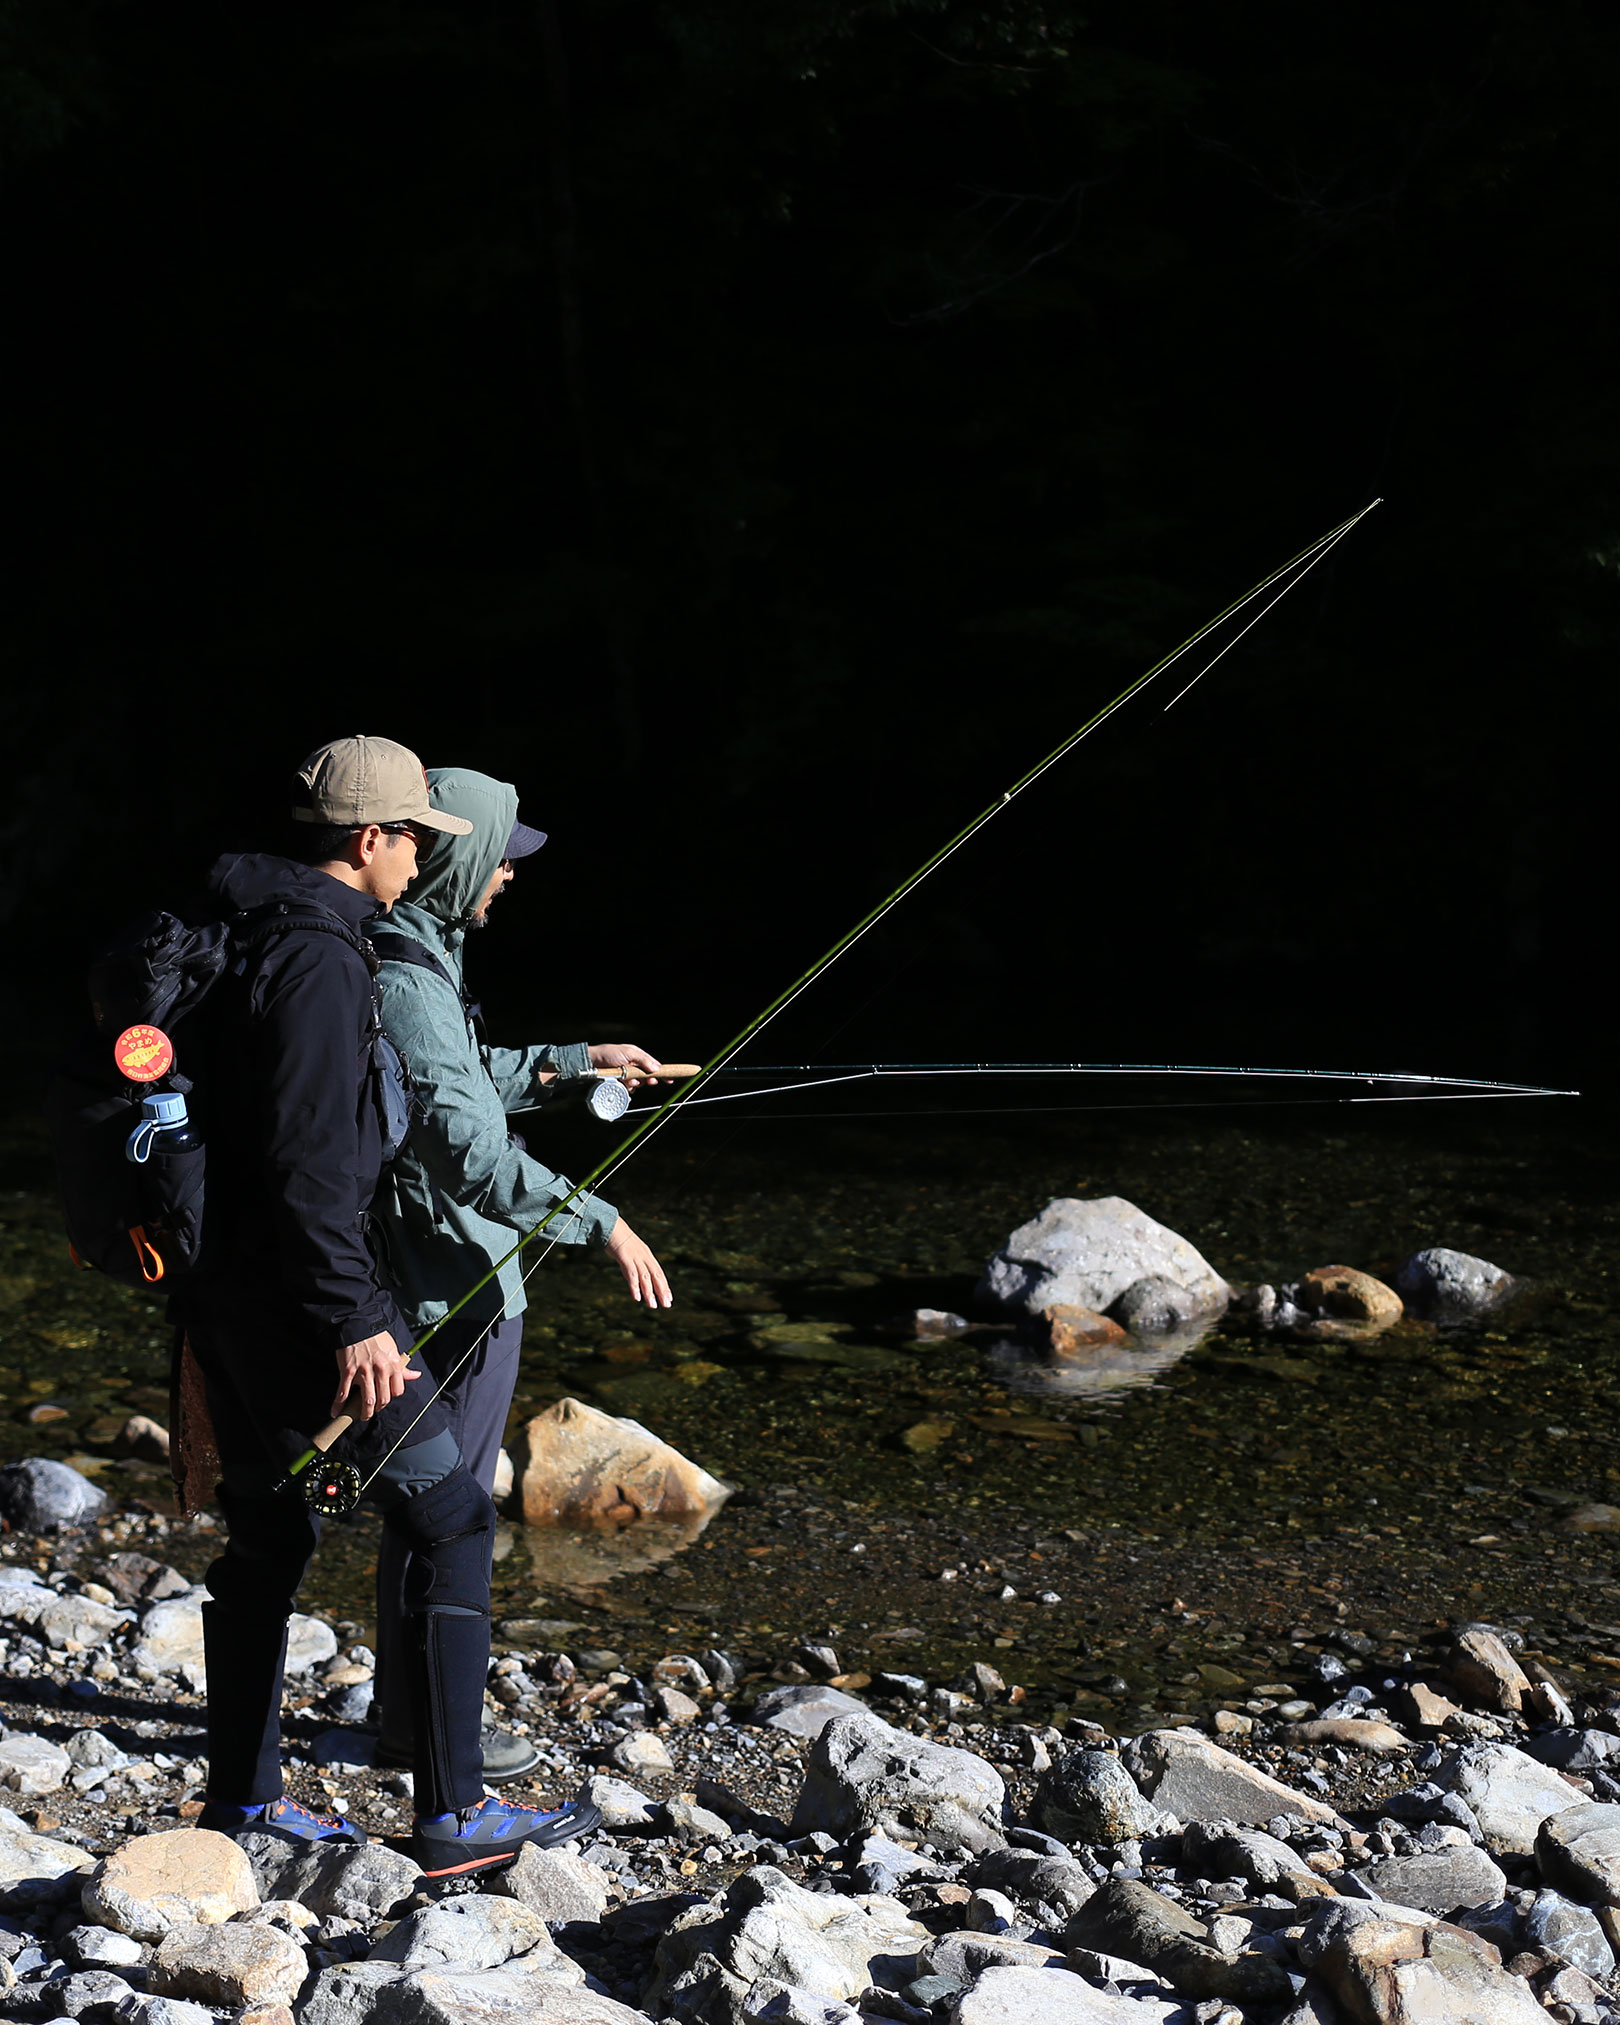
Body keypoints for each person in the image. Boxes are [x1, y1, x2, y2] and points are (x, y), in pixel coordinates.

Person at [178, 734, 601, 1876]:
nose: (423, 857)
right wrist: (361, 1318)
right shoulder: (322, 965)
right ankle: (457, 1815)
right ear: (370, 840)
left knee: (270, 1534)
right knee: (451, 1517)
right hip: (311, 1311)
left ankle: (246, 1804)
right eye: (416, 835)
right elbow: (314, 1167)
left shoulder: (245, 932)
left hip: (225, 1298)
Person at [366, 766, 671, 1780]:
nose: (510, 875)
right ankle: (433, 1730)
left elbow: (461, 1075)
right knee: (446, 1508)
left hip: (437, 1266)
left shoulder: (417, 960)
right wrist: (602, 1222)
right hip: (450, 1279)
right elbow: (469, 1151)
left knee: (427, 1500)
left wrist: (573, 1062)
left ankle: (409, 1711)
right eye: (500, 857)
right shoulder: (405, 978)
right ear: (455, 860)